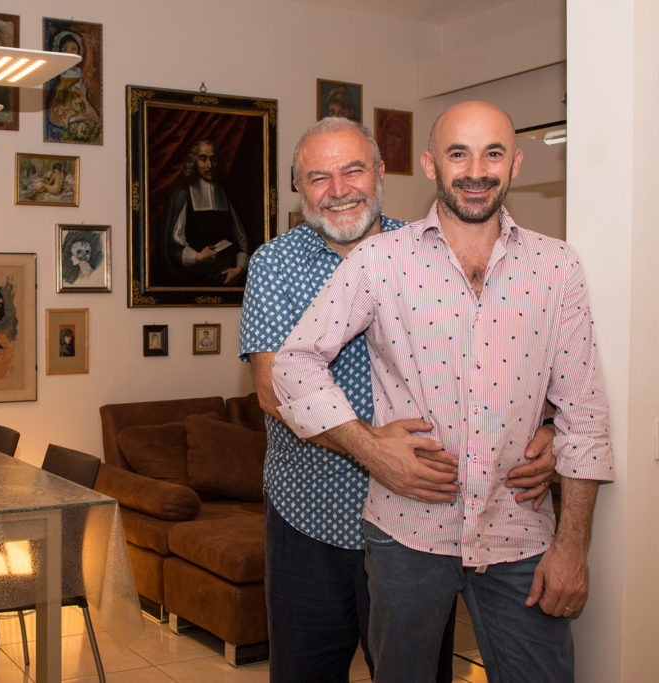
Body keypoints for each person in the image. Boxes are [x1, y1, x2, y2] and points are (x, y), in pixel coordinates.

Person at [271, 102, 613, 682]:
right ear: (431, 165)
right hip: (408, 534)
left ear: (515, 163)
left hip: (521, 531)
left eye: (492, 153)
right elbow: (293, 363)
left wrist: (573, 545)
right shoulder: (380, 260)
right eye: (459, 154)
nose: (475, 171)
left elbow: (585, 413)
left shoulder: (557, 267)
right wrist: (367, 446)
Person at [163, 140, 250, 286]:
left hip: (229, 270)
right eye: (203, 159)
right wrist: (198, 257)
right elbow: (173, 244)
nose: (209, 165)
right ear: (194, 162)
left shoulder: (226, 194)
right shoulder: (183, 194)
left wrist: (239, 269)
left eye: (213, 159)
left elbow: (241, 240)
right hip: (197, 273)